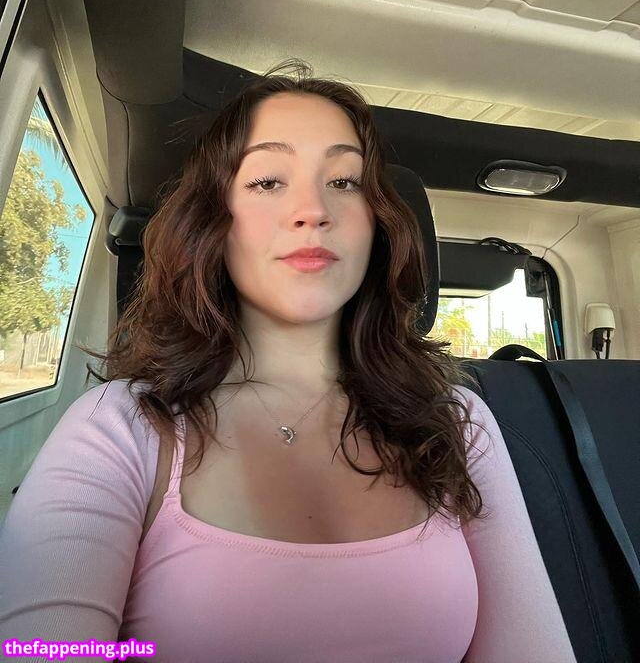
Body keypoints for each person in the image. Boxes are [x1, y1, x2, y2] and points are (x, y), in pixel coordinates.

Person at [0, 60, 577, 662]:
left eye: (345, 182)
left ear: (375, 226)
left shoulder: (459, 421)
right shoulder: (120, 428)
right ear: (214, 221)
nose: (313, 210)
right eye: (268, 181)